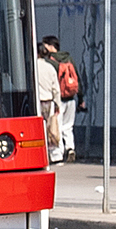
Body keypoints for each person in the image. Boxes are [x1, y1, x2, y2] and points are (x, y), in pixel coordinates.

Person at [36, 37, 63, 165]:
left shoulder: (31, 67)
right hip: (48, 101)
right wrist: (57, 104)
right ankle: (53, 155)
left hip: (36, 101)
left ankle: (40, 155)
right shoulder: (49, 67)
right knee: (49, 128)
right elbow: (55, 88)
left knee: (38, 129)